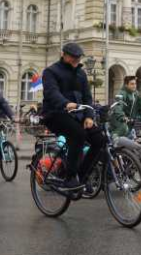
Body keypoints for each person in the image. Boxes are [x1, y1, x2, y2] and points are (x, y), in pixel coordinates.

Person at [42, 42, 107, 190]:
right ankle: (70, 178)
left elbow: (87, 97)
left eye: (78, 58)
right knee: (78, 134)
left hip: (78, 115)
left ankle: (82, 176)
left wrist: (89, 116)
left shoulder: (81, 73)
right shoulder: (51, 72)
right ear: (63, 55)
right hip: (55, 114)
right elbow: (52, 93)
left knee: (99, 139)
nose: (76, 60)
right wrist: (65, 103)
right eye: (73, 57)